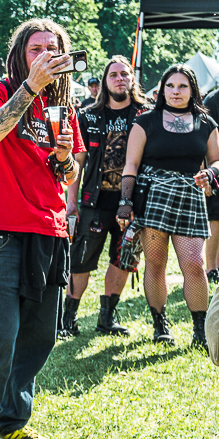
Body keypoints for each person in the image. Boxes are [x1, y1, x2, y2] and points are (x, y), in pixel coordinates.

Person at [0, 19, 85, 439]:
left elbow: (70, 174)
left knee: (40, 336)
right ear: (19, 55)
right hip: (5, 230)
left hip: (51, 231)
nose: (45, 55)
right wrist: (30, 87)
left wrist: (65, 158)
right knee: (3, 335)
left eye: (53, 48)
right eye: (35, 48)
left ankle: (12, 422)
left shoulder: (63, 106)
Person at [118, 65, 219, 348]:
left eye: (183, 86)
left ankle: (200, 330)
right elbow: (131, 165)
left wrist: (210, 172)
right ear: (162, 89)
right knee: (156, 263)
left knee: (195, 265)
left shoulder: (206, 122)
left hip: (190, 195)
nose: (176, 91)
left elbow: (217, 161)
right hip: (153, 197)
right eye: (170, 86)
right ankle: (160, 323)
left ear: (193, 90)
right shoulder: (145, 121)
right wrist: (125, 203)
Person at [62, 57, 147, 338]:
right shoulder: (88, 116)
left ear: (132, 79)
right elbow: (78, 161)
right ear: (105, 81)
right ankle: (68, 319)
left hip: (133, 204)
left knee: (123, 258)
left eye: (125, 74)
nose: (120, 79)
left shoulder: (145, 115)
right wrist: (71, 202)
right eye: (113, 75)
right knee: (81, 260)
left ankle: (107, 318)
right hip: (94, 202)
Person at [202, 60, 219, 284]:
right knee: (218, 218)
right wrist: (206, 174)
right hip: (218, 168)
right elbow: (202, 138)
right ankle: (210, 269)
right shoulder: (213, 101)